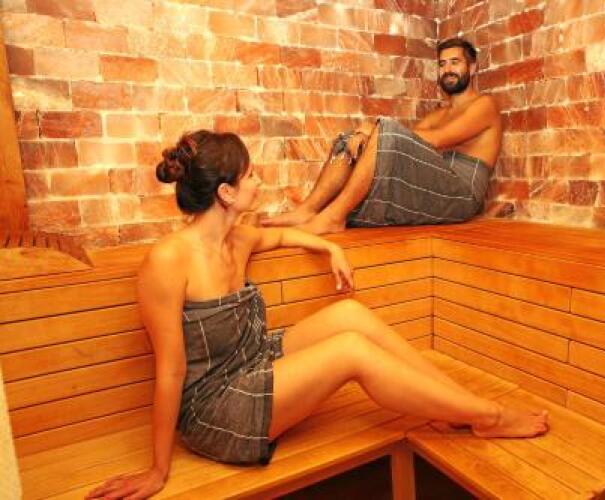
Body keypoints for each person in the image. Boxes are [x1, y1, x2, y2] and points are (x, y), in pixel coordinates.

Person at [86, 131, 547, 499]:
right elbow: (170, 371)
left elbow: (283, 237)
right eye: (250, 175)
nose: (258, 181)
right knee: (350, 351)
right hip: (217, 408)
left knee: (349, 314)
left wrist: (330, 248)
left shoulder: (237, 238)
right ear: (226, 192)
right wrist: (157, 470)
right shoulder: (168, 261)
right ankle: (489, 416)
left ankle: (453, 407)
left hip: (253, 362)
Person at [262, 37, 501, 234]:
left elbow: (436, 139)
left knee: (385, 131)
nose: (447, 69)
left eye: (455, 62)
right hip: (435, 189)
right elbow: (409, 144)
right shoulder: (438, 114)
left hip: (461, 197)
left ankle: (334, 217)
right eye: (442, 64)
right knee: (351, 139)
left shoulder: (484, 105)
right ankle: (308, 209)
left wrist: (377, 129)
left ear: (472, 67)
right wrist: (367, 134)